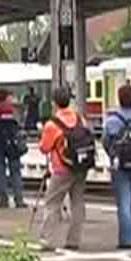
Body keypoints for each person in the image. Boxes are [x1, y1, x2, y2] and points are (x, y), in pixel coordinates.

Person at [39, 86, 92, 250]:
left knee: (52, 203)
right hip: (80, 167)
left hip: (62, 169)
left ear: (54, 102)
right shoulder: (80, 118)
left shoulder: (52, 124)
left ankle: (48, 241)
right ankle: (74, 240)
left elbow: (44, 148)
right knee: (77, 202)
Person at [103, 84, 131, 249]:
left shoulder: (113, 120)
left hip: (121, 166)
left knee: (124, 203)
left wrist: (113, 156)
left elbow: (106, 142)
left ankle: (127, 240)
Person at [0, 89, 26, 210]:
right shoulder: (11, 112)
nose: (12, 101)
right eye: (10, 98)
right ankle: (19, 199)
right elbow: (18, 128)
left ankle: (3, 199)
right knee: (15, 172)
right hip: (12, 147)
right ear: (4, 99)